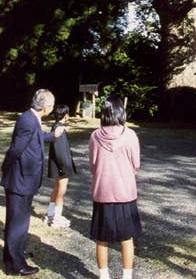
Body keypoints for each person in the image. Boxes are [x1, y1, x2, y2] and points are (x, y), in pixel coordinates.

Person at [0, 89, 64, 276]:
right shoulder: (28, 120)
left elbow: (36, 138)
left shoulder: (32, 118)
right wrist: (4, 168)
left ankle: (14, 253)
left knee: (19, 220)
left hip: (24, 180)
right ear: (45, 107)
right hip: (19, 180)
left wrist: (53, 136)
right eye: (51, 106)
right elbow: (15, 150)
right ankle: (15, 265)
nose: (52, 109)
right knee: (17, 223)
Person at [88, 95, 141, 279]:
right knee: (127, 238)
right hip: (125, 192)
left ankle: (104, 276)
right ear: (121, 112)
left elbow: (93, 165)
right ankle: (127, 276)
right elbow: (136, 164)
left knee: (102, 238)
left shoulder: (95, 136)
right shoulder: (130, 135)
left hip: (102, 191)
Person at [44, 103, 77, 228]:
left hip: (57, 165)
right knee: (61, 192)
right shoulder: (60, 129)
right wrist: (64, 167)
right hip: (61, 166)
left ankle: (51, 214)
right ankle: (56, 218)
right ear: (66, 115)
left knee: (56, 189)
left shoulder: (56, 126)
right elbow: (59, 151)